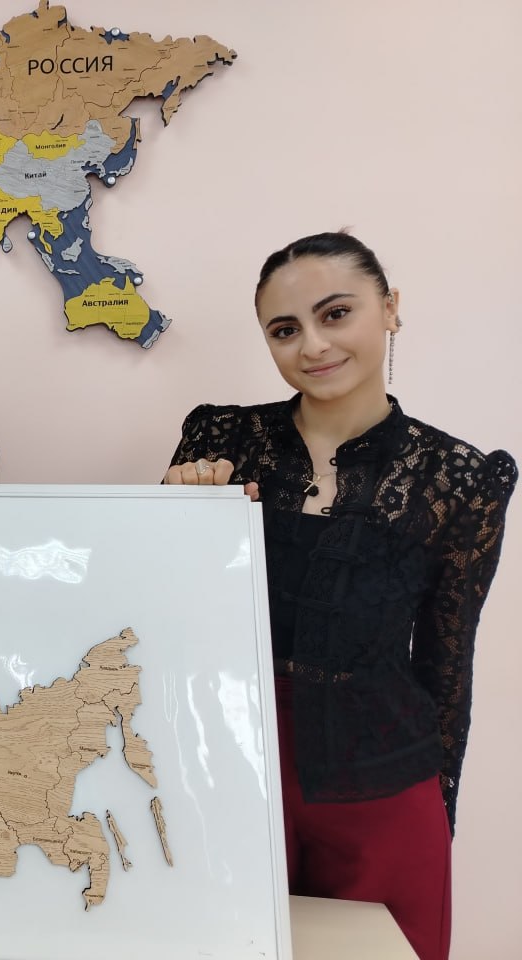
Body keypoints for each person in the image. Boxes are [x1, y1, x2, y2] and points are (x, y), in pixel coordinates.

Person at [163, 232, 515, 960]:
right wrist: (171, 515)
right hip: (228, 776)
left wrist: (437, 815)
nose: (313, 345)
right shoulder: (219, 438)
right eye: (285, 330)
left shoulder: (460, 476)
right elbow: (159, 614)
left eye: (336, 313)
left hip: (383, 789)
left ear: (390, 308)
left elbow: (447, 665)